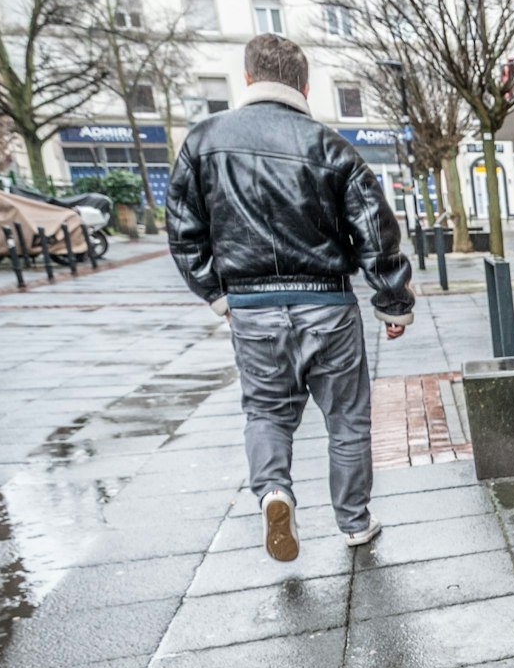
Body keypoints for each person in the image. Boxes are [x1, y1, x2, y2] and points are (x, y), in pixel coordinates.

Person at [166, 33, 414, 561]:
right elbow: (374, 227)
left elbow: (183, 232)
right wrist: (393, 300)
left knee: (267, 413)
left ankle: (274, 492)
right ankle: (354, 521)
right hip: (327, 303)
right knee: (346, 419)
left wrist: (217, 294)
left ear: (249, 78)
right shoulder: (330, 146)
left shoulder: (203, 143)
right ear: (304, 85)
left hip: (252, 307)